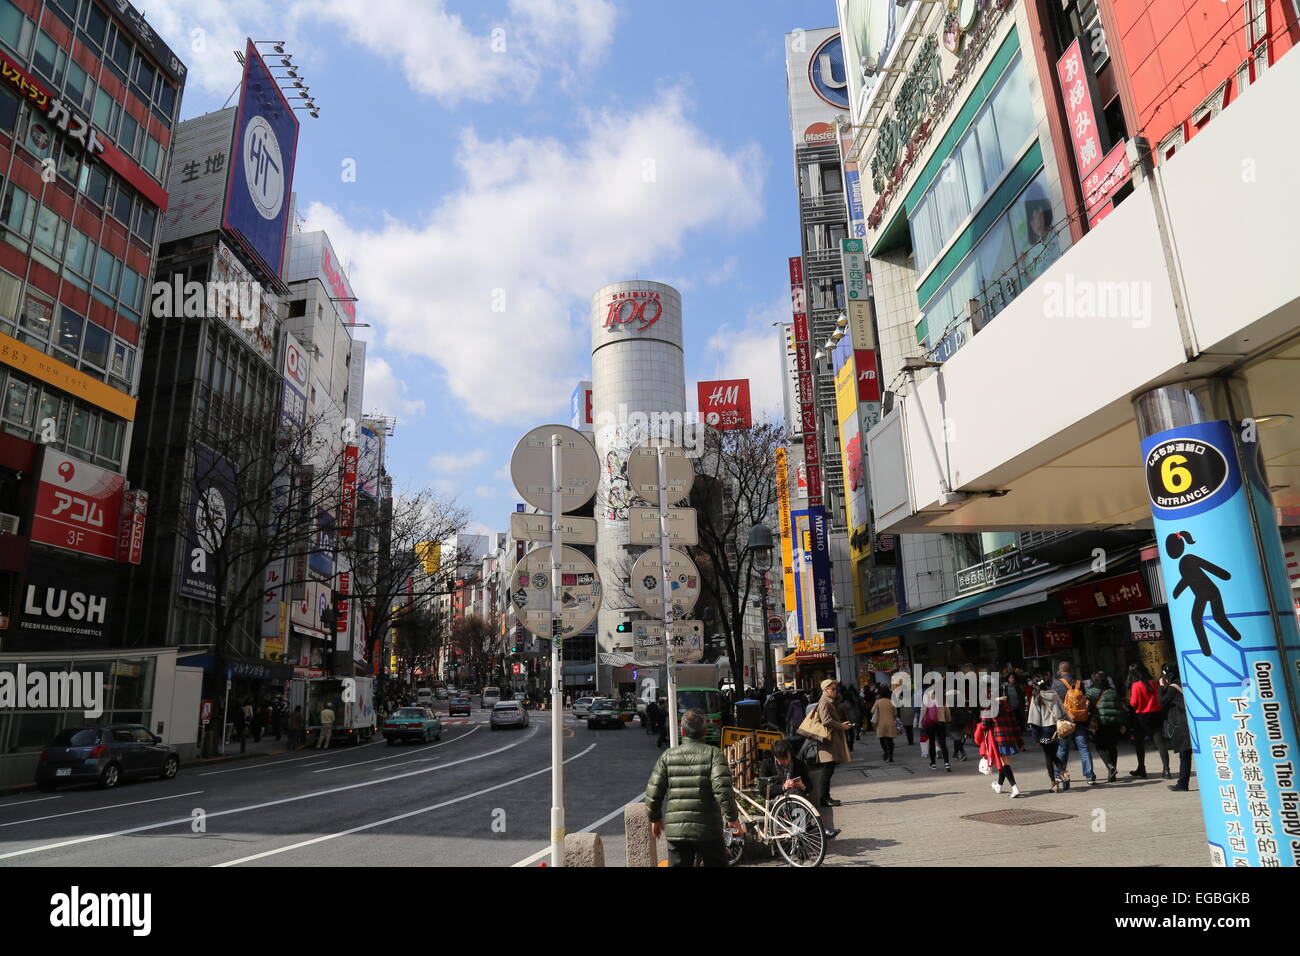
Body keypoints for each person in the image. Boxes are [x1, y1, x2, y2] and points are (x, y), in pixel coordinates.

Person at [644, 709, 744, 867]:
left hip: (677, 831)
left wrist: (655, 818)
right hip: (708, 829)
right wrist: (732, 818)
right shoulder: (714, 754)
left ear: (682, 731)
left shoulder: (668, 756)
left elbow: (653, 791)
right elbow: (723, 790)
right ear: (705, 731)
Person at [771, 738, 836, 839]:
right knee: (795, 793)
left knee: (796, 792)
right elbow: (763, 790)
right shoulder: (767, 764)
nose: (786, 761)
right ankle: (818, 827)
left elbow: (809, 787)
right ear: (775, 757)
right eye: (781, 760)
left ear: (790, 753)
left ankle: (800, 837)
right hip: (777, 800)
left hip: (796, 800)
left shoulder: (798, 763)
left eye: (787, 758)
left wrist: (803, 786)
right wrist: (783, 787)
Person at [1052, 661, 1097, 785]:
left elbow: (1053, 702)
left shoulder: (1056, 684)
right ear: (1071, 670)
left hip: (1064, 721)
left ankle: (1058, 774)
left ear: (1060, 671)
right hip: (1080, 719)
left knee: (1062, 748)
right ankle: (1090, 776)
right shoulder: (1079, 683)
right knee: (1083, 747)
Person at [1127, 663, 1169, 779]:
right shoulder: (1154, 683)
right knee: (1160, 743)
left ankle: (1142, 768)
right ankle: (1166, 769)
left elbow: (1133, 703)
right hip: (1156, 714)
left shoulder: (1136, 685)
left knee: (1139, 743)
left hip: (1142, 717)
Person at [815, 679, 853, 805]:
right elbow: (826, 720)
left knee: (829, 769)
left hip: (829, 741)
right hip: (827, 741)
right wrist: (841, 726)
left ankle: (825, 798)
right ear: (826, 690)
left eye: (835, 688)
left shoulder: (828, 701)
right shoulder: (824, 702)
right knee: (827, 770)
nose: (835, 691)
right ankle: (825, 799)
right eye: (833, 689)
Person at [980, 686, 1023, 797]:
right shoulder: (1007, 707)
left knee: (1005, 764)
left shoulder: (990, 708)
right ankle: (999, 785)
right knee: (1003, 762)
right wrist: (1020, 742)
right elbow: (1015, 725)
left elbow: (984, 725)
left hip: (999, 739)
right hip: (1010, 738)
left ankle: (1015, 788)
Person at [1026, 675, 1066, 791]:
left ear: (1034, 686)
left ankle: (1054, 782)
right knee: (1053, 754)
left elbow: (1034, 718)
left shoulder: (1036, 697)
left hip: (1045, 731)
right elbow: (1063, 710)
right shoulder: (1054, 694)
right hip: (1057, 728)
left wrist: (1035, 736)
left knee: (1049, 757)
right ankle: (1063, 772)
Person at [1159, 664, 1193, 791]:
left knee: (1184, 754)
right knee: (1187, 754)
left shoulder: (1173, 688)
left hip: (1182, 725)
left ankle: (1183, 783)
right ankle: (1183, 783)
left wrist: (1161, 687)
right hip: (1189, 722)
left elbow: (1161, 702)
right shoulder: (1185, 683)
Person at [1087, 672, 1125, 782]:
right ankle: (1112, 774)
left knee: (1100, 746)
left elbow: (1088, 707)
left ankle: (1110, 767)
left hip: (1100, 723)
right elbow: (1120, 708)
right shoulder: (1113, 691)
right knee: (1112, 747)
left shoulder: (1091, 692)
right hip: (1114, 723)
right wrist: (1122, 723)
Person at [920, 684, 951, 771]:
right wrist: (948, 719)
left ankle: (933, 763)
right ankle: (947, 763)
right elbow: (947, 710)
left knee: (932, 743)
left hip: (930, 722)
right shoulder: (942, 696)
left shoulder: (928, 695)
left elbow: (923, 709)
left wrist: (921, 722)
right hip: (941, 722)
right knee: (943, 743)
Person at [869, 690, 899, 762]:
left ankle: (886, 753)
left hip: (881, 723)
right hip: (890, 723)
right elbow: (895, 713)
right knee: (890, 740)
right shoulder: (891, 702)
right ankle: (891, 756)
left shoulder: (878, 702)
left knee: (882, 739)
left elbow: (872, 711)